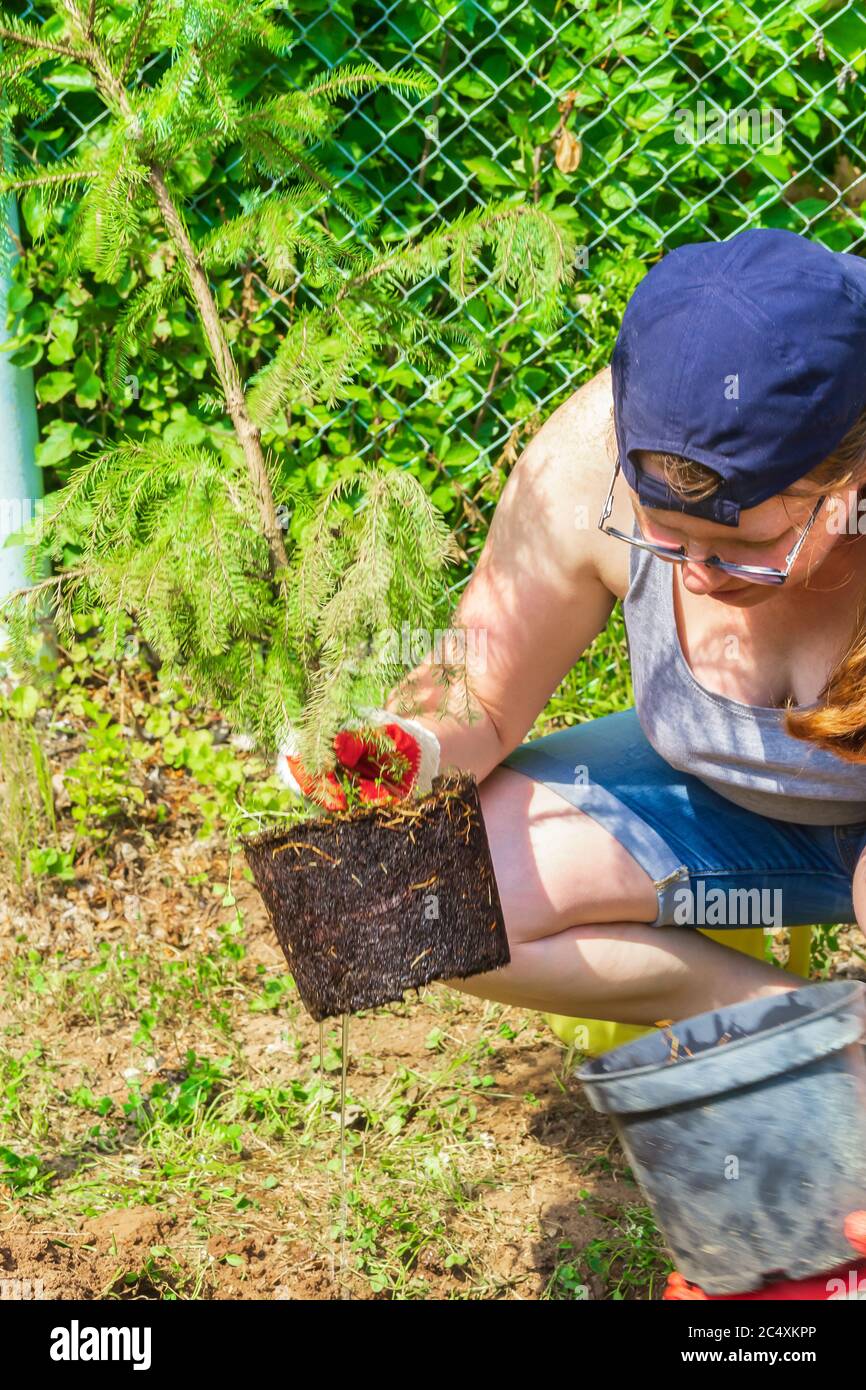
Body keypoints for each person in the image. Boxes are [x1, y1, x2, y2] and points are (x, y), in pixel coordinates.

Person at [281, 226, 866, 1033]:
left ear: (850, 481)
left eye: (750, 547)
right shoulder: (582, 466)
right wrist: (404, 749)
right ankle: (802, 1031)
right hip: (719, 811)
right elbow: (479, 697)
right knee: (376, 903)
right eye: (664, 534)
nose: (695, 574)